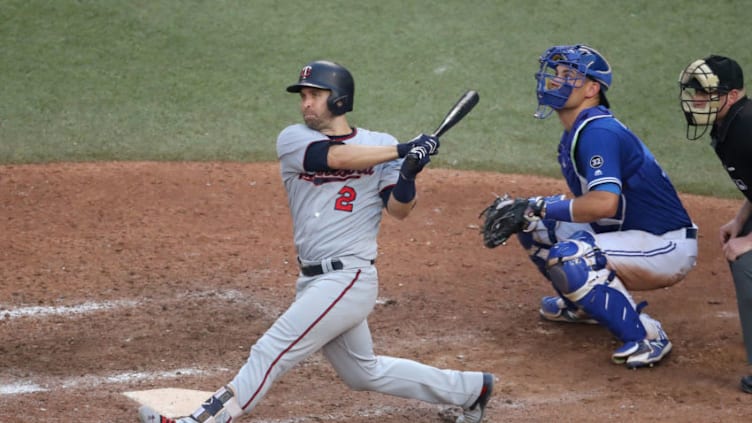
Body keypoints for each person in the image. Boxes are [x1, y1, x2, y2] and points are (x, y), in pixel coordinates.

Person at [138, 60, 494, 423]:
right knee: (362, 372)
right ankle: (470, 389)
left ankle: (202, 420)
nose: (306, 103)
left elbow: (400, 210)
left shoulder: (380, 145)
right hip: (313, 280)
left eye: (315, 95)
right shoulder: (294, 139)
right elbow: (335, 157)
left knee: (271, 350)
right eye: (303, 96)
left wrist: (408, 174)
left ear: (339, 100)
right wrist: (404, 149)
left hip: (348, 278)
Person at [506, 44, 698, 368]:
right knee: (530, 221)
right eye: (557, 74)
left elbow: (604, 204)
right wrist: (536, 209)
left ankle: (648, 337)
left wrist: (545, 206)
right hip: (629, 233)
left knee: (573, 257)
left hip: (663, 244)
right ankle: (584, 305)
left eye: (569, 76)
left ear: (592, 89)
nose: (555, 81)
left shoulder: (598, 132)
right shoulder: (579, 131)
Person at [678, 54, 752, 393]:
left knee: (746, 262)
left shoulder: (746, 129)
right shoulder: (727, 124)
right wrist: (740, 219)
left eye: (706, 94)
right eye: (695, 92)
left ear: (732, 96)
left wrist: (749, 242)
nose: (697, 100)